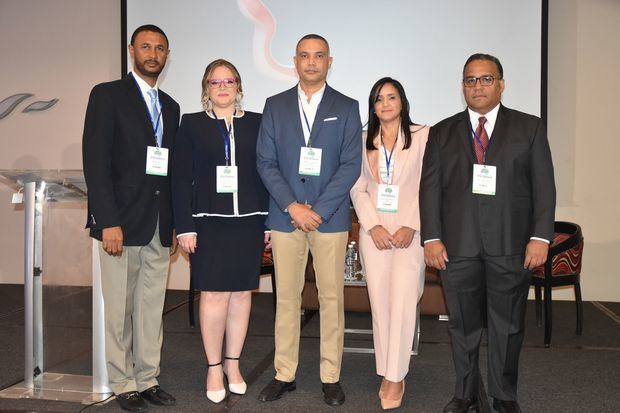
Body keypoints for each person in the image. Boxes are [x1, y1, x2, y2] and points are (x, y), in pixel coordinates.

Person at [419, 53, 556, 413]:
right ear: (462, 86)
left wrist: (541, 238)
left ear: (501, 84)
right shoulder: (442, 132)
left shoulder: (529, 128)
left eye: (486, 79)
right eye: (470, 80)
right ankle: (464, 393)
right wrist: (431, 237)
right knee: (461, 327)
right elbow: (429, 189)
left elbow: (544, 187)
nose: (477, 86)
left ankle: (504, 394)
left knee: (507, 327)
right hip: (457, 247)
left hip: (512, 246)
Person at [256, 34, 362, 406]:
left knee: (331, 298)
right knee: (286, 298)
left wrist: (317, 210)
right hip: (286, 218)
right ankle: (284, 374)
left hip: (329, 219)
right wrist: (293, 206)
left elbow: (351, 165)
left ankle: (330, 376)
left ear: (329, 62)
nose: (312, 62)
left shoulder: (347, 107)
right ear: (295, 61)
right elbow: (265, 163)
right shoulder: (275, 105)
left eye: (319, 56)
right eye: (305, 55)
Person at [82, 24, 180, 412]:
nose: (152, 54)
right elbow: (96, 160)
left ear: (166, 56)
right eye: (145, 47)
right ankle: (123, 382)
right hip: (119, 224)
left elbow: (169, 171)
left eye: (159, 48)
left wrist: (172, 222)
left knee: (151, 309)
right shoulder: (107, 96)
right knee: (119, 309)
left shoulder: (170, 106)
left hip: (158, 224)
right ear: (131, 50)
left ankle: (148, 378)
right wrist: (107, 219)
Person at [171, 59, 269, 404]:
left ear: (239, 87)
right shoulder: (192, 125)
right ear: (206, 89)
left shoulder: (257, 123)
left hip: (250, 221)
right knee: (212, 295)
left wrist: (269, 220)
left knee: (242, 295)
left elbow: (266, 172)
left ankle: (233, 364)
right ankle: (213, 367)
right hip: (207, 223)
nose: (223, 87)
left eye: (229, 81)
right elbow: (180, 179)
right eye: (215, 82)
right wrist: (184, 226)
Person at [350, 77, 428, 410]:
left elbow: (430, 183)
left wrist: (412, 223)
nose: (385, 103)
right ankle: (386, 370)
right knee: (380, 304)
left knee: (403, 302)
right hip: (375, 234)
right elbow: (358, 188)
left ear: (402, 101)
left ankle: (396, 377)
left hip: (411, 231)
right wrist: (374, 225)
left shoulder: (424, 135)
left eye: (391, 96)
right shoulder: (364, 140)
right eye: (379, 98)